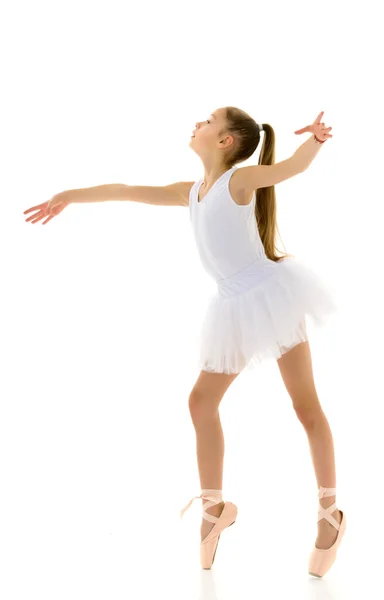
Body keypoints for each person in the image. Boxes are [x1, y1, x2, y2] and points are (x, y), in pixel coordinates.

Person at [23, 106, 346, 576]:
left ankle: (328, 513)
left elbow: (289, 169)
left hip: (271, 296)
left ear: (225, 142)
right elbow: (126, 191)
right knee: (200, 402)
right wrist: (67, 195)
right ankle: (215, 508)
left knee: (305, 408)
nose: (198, 121)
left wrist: (314, 141)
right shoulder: (193, 192)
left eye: (209, 119)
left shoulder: (239, 182)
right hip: (233, 306)